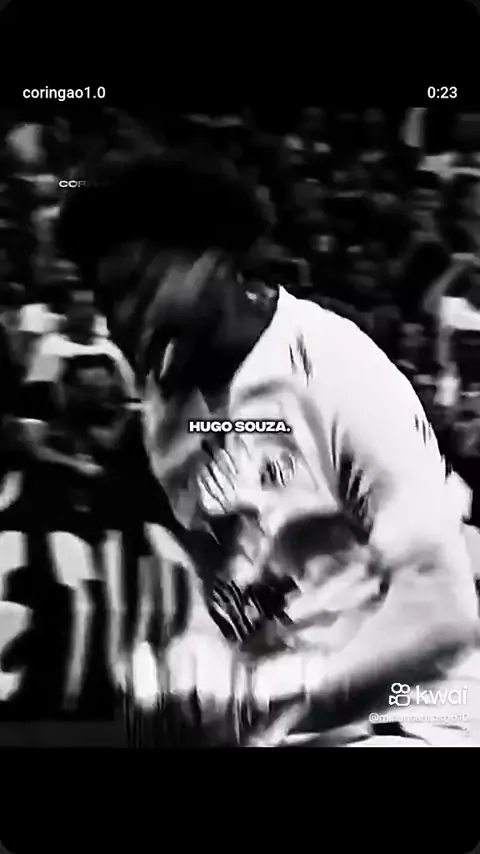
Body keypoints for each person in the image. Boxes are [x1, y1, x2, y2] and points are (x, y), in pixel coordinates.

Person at [55, 144, 479, 747]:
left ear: (213, 258)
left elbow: (446, 617)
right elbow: (234, 586)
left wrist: (269, 694)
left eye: (141, 287)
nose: (124, 321)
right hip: (303, 720)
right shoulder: (166, 411)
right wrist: (198, 659)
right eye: (107, 300)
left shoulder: (331, 366)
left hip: (424, 711)